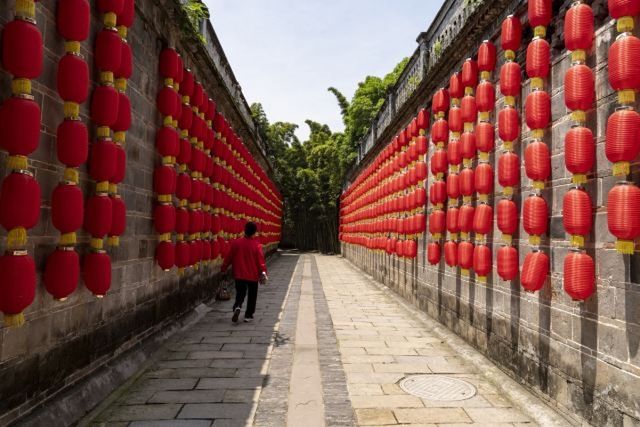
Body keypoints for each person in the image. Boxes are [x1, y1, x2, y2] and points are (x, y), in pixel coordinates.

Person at [221, 221, 268, 323]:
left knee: (240, 293)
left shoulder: (236, 243)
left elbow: (228, 257)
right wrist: (263, 272)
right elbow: (261, 262)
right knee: (252, 295)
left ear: (244, 230)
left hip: (239, 274)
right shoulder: (257, 245)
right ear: (255, 232)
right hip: (252, 275)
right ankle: (248, 315)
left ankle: (237, 306)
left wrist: (223, 268)